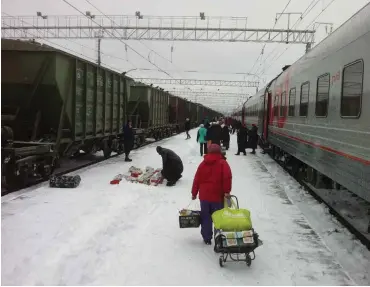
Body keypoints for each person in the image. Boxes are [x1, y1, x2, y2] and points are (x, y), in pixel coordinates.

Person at [191, 144, 232, 245]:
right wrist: (227, 191)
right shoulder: (223, 163)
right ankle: (219, 238)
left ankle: (207, 238)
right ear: (219, 152)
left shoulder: (203, 164)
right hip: (217, 196)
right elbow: (227, 178)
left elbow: (197, 179)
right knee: (218, 217)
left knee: (206, 217)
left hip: (204, 197)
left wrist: (194, 193)